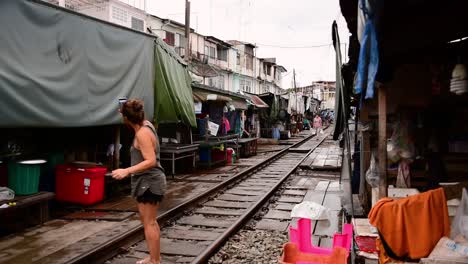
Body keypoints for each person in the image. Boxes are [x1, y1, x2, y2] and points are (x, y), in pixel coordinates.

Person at [112, 99, 166, 264]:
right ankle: (153, 258)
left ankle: (154, 261)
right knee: (149, 222)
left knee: (149, 223)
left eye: (122, 114)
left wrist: (126, 171)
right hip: (150, 181)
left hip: (149, 182)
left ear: (126, 118)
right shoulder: (147, 125)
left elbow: (150, 161)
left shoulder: (142, 133)